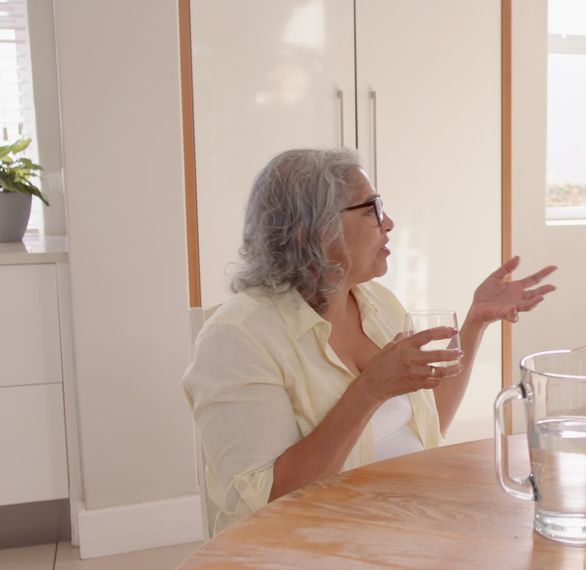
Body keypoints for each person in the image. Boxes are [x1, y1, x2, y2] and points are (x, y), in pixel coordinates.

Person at [183, 148, 556, 532]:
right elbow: (267, 505)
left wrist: (476, 322)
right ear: (311, 229)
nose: (389, 222)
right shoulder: (236, 339)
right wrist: (370, 388)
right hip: (317, 543)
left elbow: (428, 424)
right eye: (371, 209)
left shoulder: (374, 302)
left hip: (406, 518)